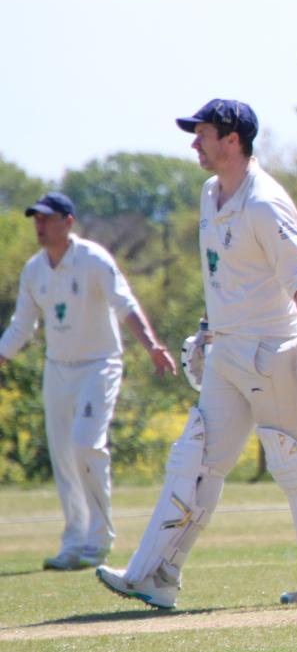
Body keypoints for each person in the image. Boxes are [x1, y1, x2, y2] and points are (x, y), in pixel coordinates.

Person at [97, 99, 297, 609]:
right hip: (227, 351)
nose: (194, 143)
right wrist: (207, 329)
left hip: (274, 352)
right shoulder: (210, 194)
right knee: (196, 457)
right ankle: (154, 575)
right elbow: (220, 272)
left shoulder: (265, 203)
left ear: (233, 139)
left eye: (203, 134)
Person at [0, 192, 177, 571]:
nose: (39, 226)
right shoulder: (34, 270)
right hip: (57, 368)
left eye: (47, 219)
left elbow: (125, 304)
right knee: (63, 456)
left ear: (68, 222)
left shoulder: (93, 259)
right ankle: (75, 540)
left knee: (85, 444)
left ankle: (99, 540)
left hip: (99, 365)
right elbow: (22, 326)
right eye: (36, 219)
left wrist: (152, 346)